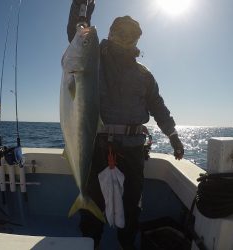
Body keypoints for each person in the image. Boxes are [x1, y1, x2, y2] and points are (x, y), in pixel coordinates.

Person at [67, 1, 184, 249]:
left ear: (137, 40)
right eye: (121, 31)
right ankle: (91, 243)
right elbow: (77, 33)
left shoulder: (144, 74)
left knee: (132, 204)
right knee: (93, 203)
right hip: (96, 146)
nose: (125, 37)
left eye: (131, 34)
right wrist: (82, 6)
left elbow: (158, 107)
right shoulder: (94, 59)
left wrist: (173, 134)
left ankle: (127, 245)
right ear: (110, 33)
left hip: (133, 149)